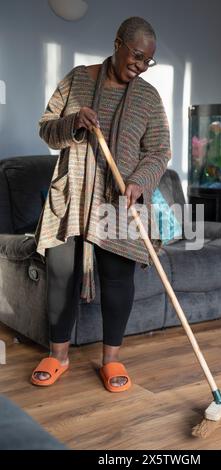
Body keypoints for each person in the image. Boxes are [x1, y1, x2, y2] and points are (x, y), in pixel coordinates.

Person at [31, 17, 171, 391]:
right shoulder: (77, 79)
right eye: (137, 56)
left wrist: (139, 181)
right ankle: (57, 355)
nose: (140, 66)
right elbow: (46, 127)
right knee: (61, 274)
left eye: (148, 62)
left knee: (117, 279)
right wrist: (74, 121)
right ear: (118, 43)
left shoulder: (147, 98)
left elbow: (159, 151)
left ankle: (112, 360)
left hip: (119, 203)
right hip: (72, 195)